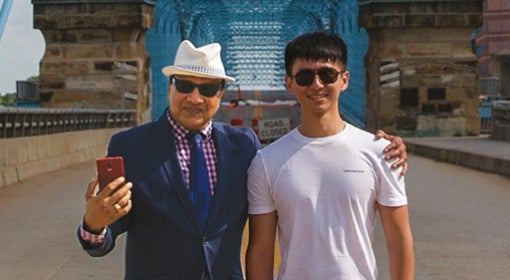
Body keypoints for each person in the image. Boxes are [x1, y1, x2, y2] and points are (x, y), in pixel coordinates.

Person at [77, 39, 408, 279]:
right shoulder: (130, 145)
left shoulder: (244, 146)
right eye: (185, 85)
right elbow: (103, 238)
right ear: (169, 86)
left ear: (221, 95)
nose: (195, 97)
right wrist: (93, 224)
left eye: (207, 90)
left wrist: (386, 148)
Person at [245, 32, 414, 280]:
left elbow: (399, 239)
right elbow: (260, 250)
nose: (316, 85)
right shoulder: (266, 162)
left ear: (344, 80)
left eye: (327, 75)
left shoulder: (381, 152)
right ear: (289, 83)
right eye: (304, 77)